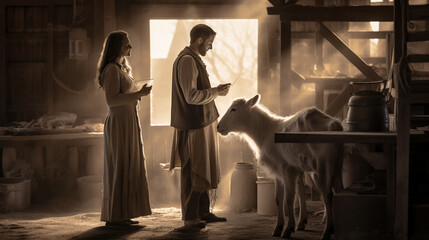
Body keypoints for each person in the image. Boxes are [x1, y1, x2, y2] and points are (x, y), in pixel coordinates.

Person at [170, 24, 231, 228]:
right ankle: (190, 216)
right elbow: (191, 96)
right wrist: (216, 92)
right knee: (194, 169)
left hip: (202, 123)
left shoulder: (194, 59)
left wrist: (215, 91)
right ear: (199, 41)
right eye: (209, 43)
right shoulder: (187, 61)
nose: (210, 48)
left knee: (203, 166)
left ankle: (203, 212)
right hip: (193, 125)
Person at [96, 30, 152, 226]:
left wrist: (138, 93)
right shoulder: (111, 69)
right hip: (119, 123)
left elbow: (123, 96)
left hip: (128, 120)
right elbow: (111, 100)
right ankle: (115, 215)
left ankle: (123, 213)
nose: (131, 47)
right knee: (120, 165)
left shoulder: (122, 68)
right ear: (117, 47)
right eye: (127, 44)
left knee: (128, 165)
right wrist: (139, 94)